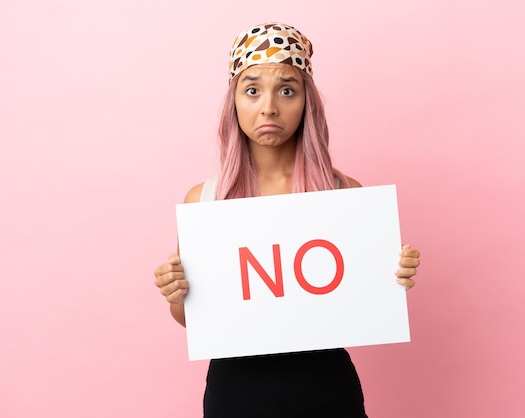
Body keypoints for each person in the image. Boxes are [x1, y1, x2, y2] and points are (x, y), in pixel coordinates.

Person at [153, 22, 421, 418]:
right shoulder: (204, 201)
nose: (269, 107)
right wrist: (177, 295)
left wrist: (393, 276)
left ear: (306, 102)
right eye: (252, 89)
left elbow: (363, 299)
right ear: (235, 103)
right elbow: (192, 320)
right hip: (235, 394)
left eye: (287, 89)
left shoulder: (342, 192)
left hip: (326, 389)